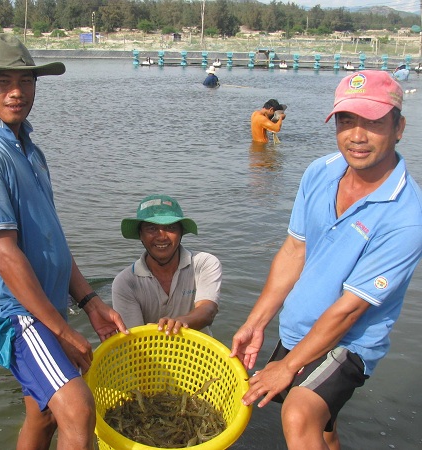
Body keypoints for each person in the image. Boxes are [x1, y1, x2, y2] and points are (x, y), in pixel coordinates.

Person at [0, 34, 128, 450]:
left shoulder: (29, 150)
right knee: (78, 407)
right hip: (16, 312)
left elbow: (52, 239)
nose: (17, 92)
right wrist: (62, 330)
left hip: (44, 306)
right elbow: (3, 254)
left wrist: (90, 301)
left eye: (26, 81)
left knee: (43, 415)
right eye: (3, 82)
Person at [230, 70, 422, 450]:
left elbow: (351, 310)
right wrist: (256, 321)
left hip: (350, 341)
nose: (357, 135)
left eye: (373, 122)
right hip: (299, 325)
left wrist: (286, 367)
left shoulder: (406, 218)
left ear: (399, 127)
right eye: (347, 121)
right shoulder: (320, 172)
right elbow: (294, 250)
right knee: (324, 426)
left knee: (299, 414)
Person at [112, 195, 220, 336]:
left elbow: (208, 311)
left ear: (181, 232)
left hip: (197, 353)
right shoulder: (125, 283)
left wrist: (181, 322)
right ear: (140, 235)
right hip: (149, 355)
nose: (162, 236)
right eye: (151, 228)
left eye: (170, 227)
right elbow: (133, 338)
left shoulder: (204, 264)